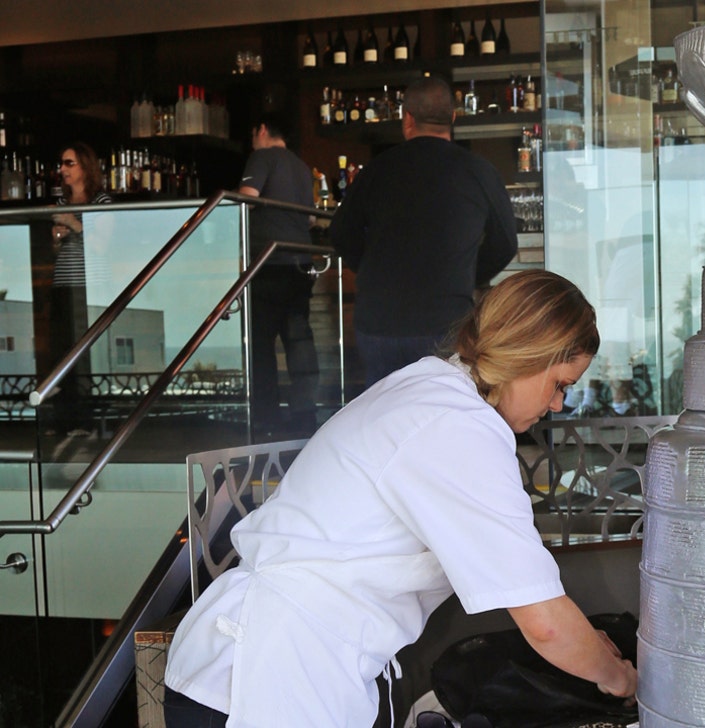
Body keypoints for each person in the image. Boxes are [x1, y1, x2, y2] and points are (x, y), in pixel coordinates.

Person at [162, 270, 636, 727]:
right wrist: (621, 680)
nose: (557, 406)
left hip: (273, 665)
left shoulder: (433, 389)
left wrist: (587, 647)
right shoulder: (457, 426)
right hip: (261, 677)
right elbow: (545, 622)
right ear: (527, 354)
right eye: (560, 385)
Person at [330, 75, 518, 390]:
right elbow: (504, 244)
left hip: (379, 322)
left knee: (384, 413)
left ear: (407, 120)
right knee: (441, 413)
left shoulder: (376, 169)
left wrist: (373, 272)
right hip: (446, 322)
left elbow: (341, 234)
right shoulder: (479, 171)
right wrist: (465, 274)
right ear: (453, 118)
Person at [237, 115, 320, 438]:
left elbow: (248, 196)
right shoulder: (301, 167)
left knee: (261, 346)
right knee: (298, 344)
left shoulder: (262, 157)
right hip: (299, 264)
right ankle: (305, 416)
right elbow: (312, 217)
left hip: (267, 264)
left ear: (261, 130)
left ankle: (266, 419)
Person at [47, 142, 113, 437]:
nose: (63, 169)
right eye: (62, 163)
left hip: (89, 286)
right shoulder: (61, 203)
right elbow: (55, 250)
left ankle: (85, 422)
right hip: (63, 283)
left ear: (85, 166)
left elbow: (102, 246)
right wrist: (57, 237)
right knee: (62, 353)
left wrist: (72, 224)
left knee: (84, 353)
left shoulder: (101, 202)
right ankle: (64, 421)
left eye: (69, 163)